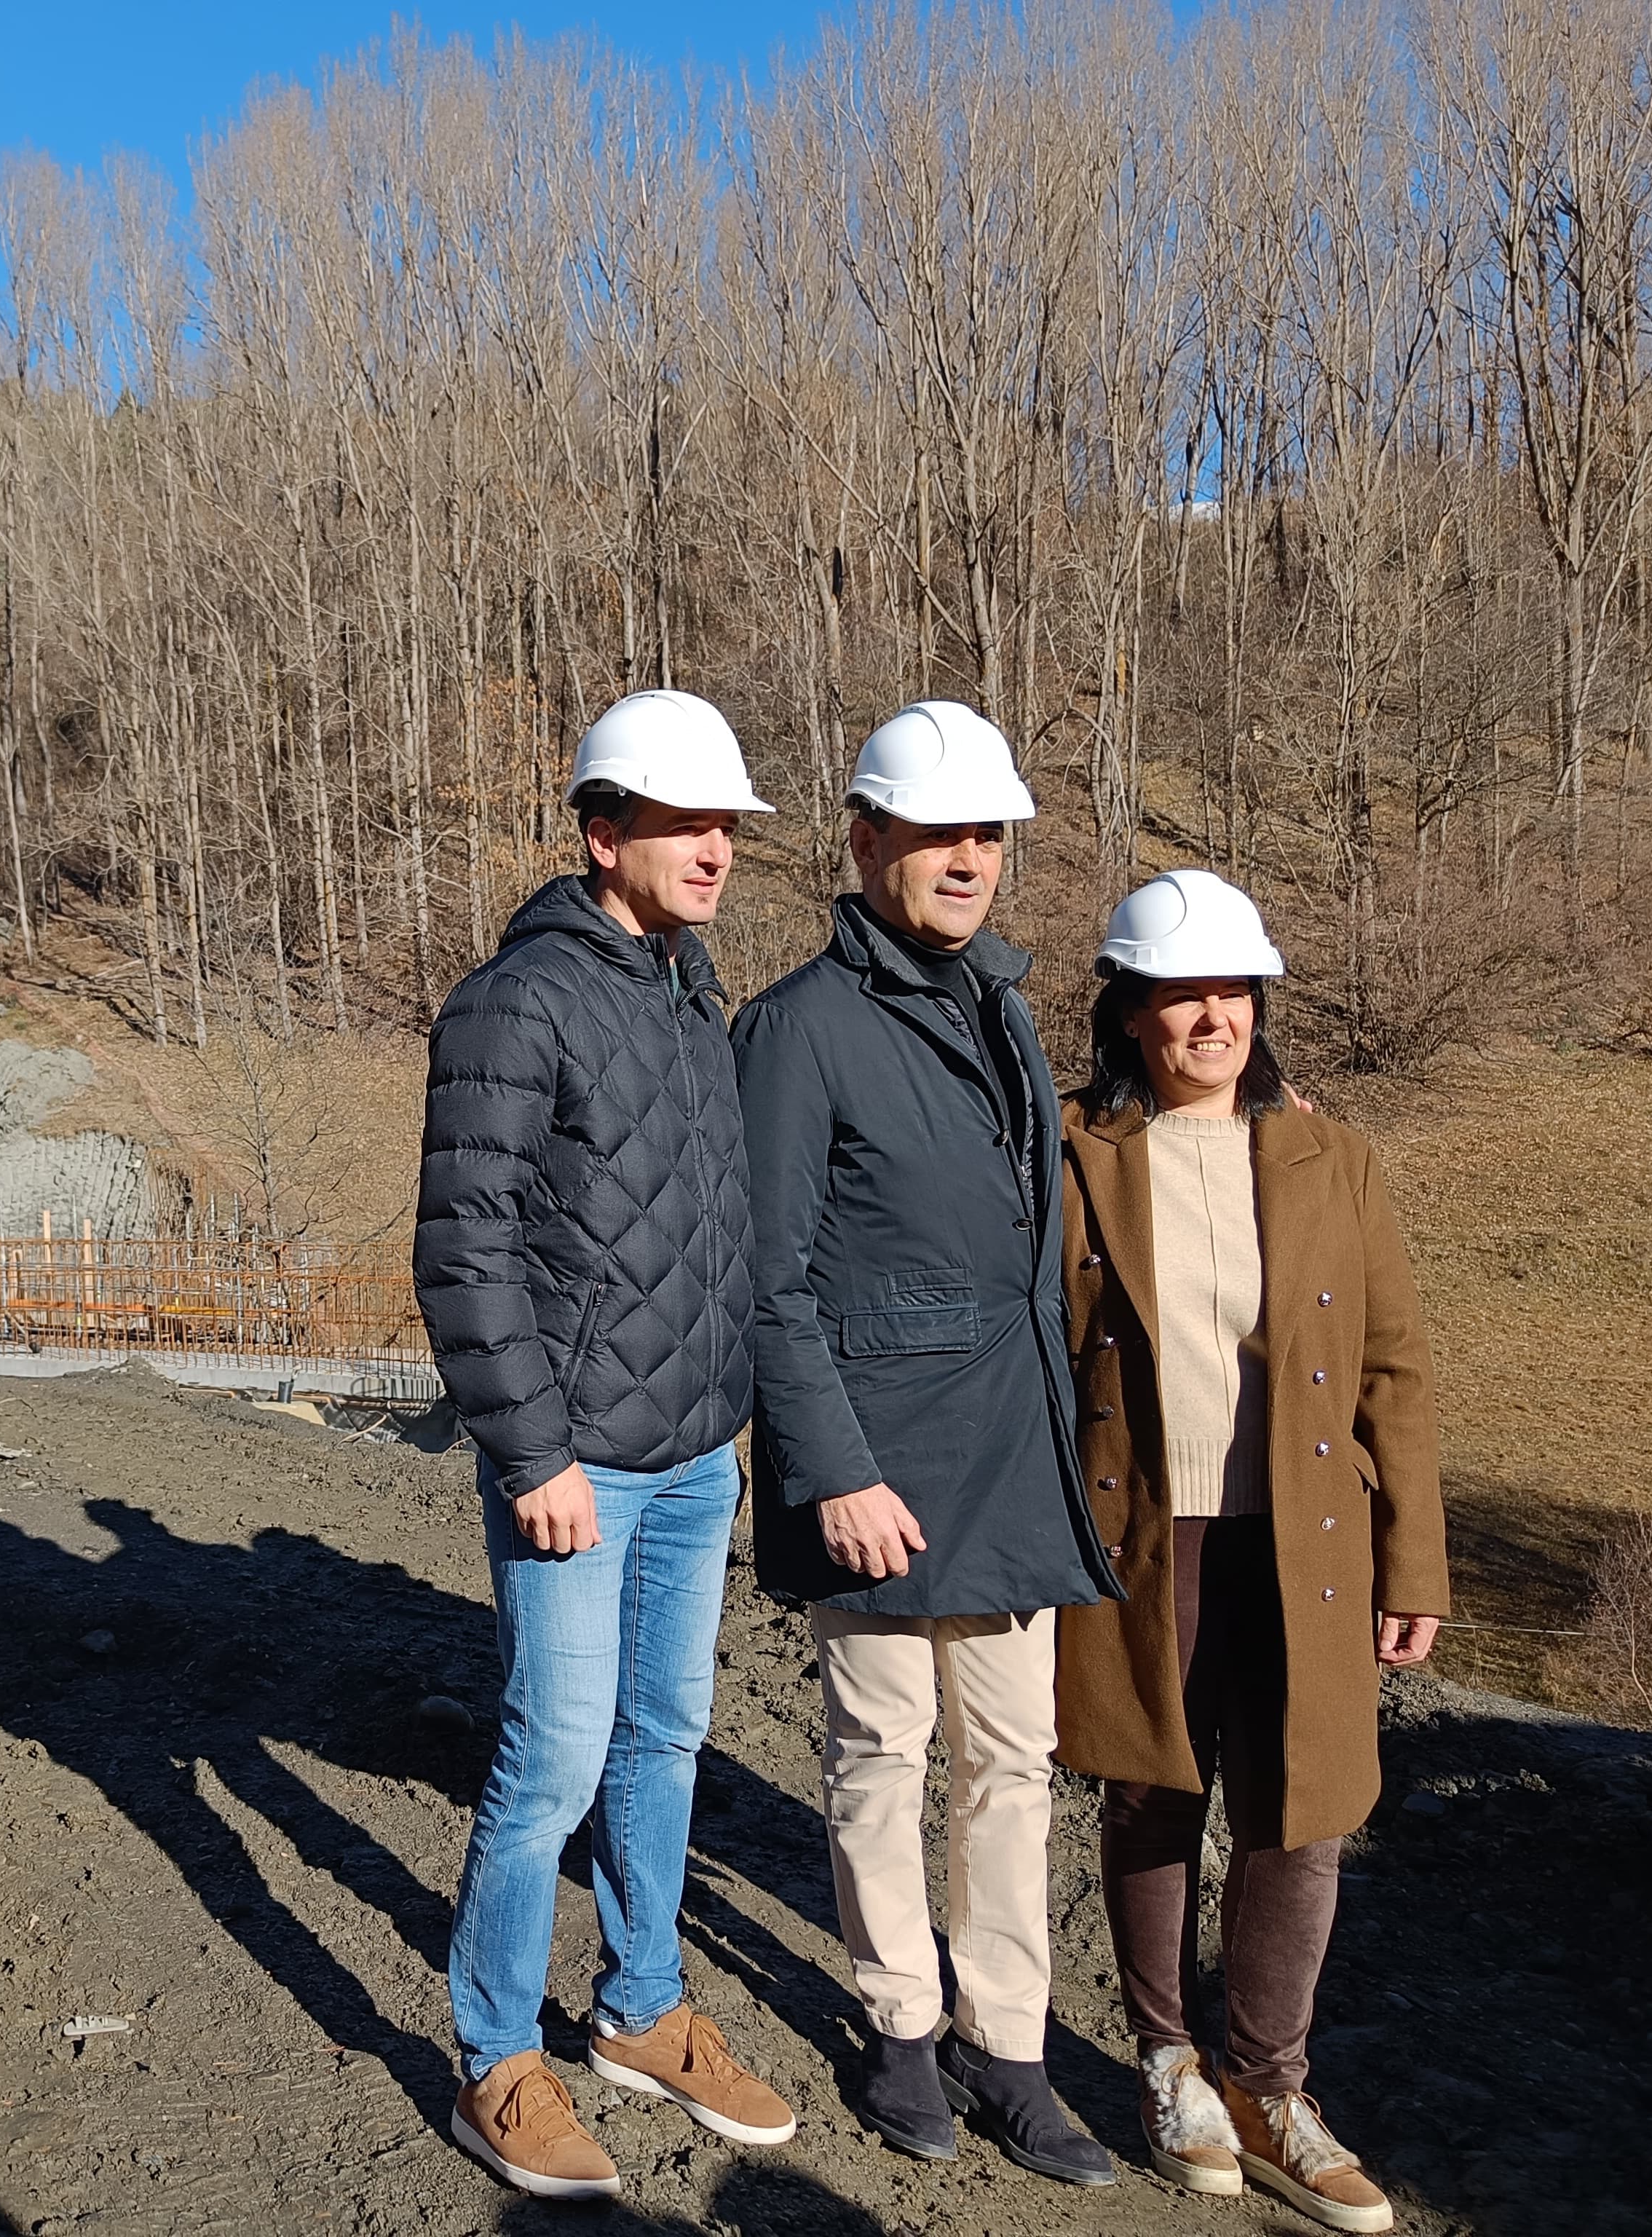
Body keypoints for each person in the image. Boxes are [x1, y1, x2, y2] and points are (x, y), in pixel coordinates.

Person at [415, 688, 800, 2203]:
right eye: (685, 821)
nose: (715, 846)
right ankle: (495, 2058)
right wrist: (532, 1456)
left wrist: (736, 1422)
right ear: (603, 831)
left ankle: (639, 2011)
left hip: (696, 1454)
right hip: (576, 1466)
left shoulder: (686, 989)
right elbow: (464, 1250)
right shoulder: (516, 1003)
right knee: (549, 1764)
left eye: (726, 825)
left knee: (663, 1741)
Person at [730, 701, 1122, 2187]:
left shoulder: (1004, 1011)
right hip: (879, 1474)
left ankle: (1005, 2047)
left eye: (986, 835)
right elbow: (766, 1279)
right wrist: (832, 1468)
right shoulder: (793, 1030)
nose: (967, 858)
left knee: (1013, 1766)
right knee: (881, 1755)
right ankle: (899, 2028)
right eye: (937, 832)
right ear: (865, 838)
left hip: (1006, 1459)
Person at [1054, 869, 1445, 2236]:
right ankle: (1169, 2064)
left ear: (1257, 1003)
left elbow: (1394, 1368)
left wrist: (1417, 1565)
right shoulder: (1076, 1156)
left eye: (1229, 991)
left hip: (1310, 1541)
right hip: (1147, 1530)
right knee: (1153, 1791)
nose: (1207, 1017)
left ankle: (1274, 2089)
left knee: (1303, 1810)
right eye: (1177, 995)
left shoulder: (1333, 1158)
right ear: (1133, 1011)